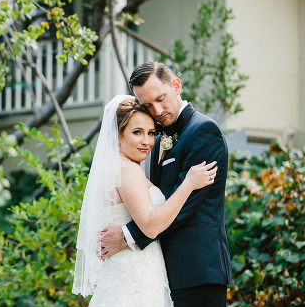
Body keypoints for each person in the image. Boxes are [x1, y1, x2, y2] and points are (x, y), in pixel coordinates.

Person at [96, 62, 233, 306]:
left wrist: (127, 235)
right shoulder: (156, 138)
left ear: (177, 85)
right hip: (163, 271)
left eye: (161, 98)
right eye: (148, 105)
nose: (157, 110)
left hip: (197, 270)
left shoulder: (204, 131)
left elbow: (185, 205)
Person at [72, 94, 217, 306]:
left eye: (151, 133)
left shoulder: (114, 167)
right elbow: (150, 225)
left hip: (127, 273)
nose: (147, 141)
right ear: (117, 135)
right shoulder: (127, 169)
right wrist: (188, 184)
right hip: (135, 278)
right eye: (137, 132)